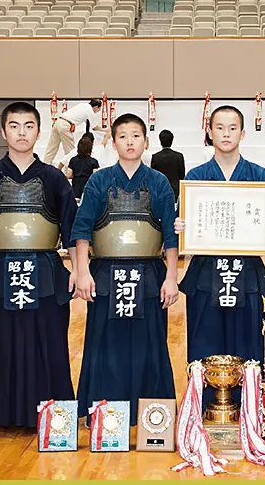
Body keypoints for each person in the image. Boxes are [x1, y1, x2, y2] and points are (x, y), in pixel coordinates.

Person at [0, 102, 78, 433]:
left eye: (28, 126)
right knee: (0, 343)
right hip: (0, 270)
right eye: (14, 126)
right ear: (3, 132)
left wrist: (80, 270)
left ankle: (56, 414)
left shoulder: (54, 178)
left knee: (51, 343)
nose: (22, 132)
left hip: (45, 270)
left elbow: (70, 229)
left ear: (38, 132)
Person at [173, 106, 265, 410]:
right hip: (206, 274)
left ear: (242, 133)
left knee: (247, 340)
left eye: (232, 128)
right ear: (209, 132)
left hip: (246, 272)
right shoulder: (196, 178)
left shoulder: (259, 176)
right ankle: (204, 403)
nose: (226, 133)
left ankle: (248, 407)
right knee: (204, 338)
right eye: (219, 127)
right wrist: (180, 226)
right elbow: (181, 221)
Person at [72, 113, 179, 425]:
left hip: (149, 275)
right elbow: (82, 230)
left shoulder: (158, 182)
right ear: (114, 142)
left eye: (136, 136)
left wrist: (171, 277)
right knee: (104, 344)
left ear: (146, 142)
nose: (130, 142)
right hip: (105, 274)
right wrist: (82, 272)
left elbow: (170, 235)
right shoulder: (99, 180)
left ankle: (153, 416)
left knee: (150, 344)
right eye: (123, 136)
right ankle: (104, 412)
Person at [44, 99, 105, 166]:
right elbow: (94, 127)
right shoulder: (90, 110)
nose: (98, 111)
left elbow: (87, 122)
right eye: (99, 109)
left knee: (52, 147)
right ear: (96, 107)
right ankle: (70, 171)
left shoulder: (82, 105)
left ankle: (45, 165)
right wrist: (106, 130)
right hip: (65, 126)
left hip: (58, 122)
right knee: (70, 151)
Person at [59, 135, 100, 199]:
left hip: (76, 189)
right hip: (88, 189)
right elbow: (95, 177)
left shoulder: (73, 160)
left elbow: (68, 175)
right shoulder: (93, 161)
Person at [151, 129, 187, 200]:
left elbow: (153, 177)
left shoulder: (155, 157)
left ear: (160, 141)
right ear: (172, 141)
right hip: (175, 191)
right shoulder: (179, 156)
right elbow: (182, 175)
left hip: (160, 190)